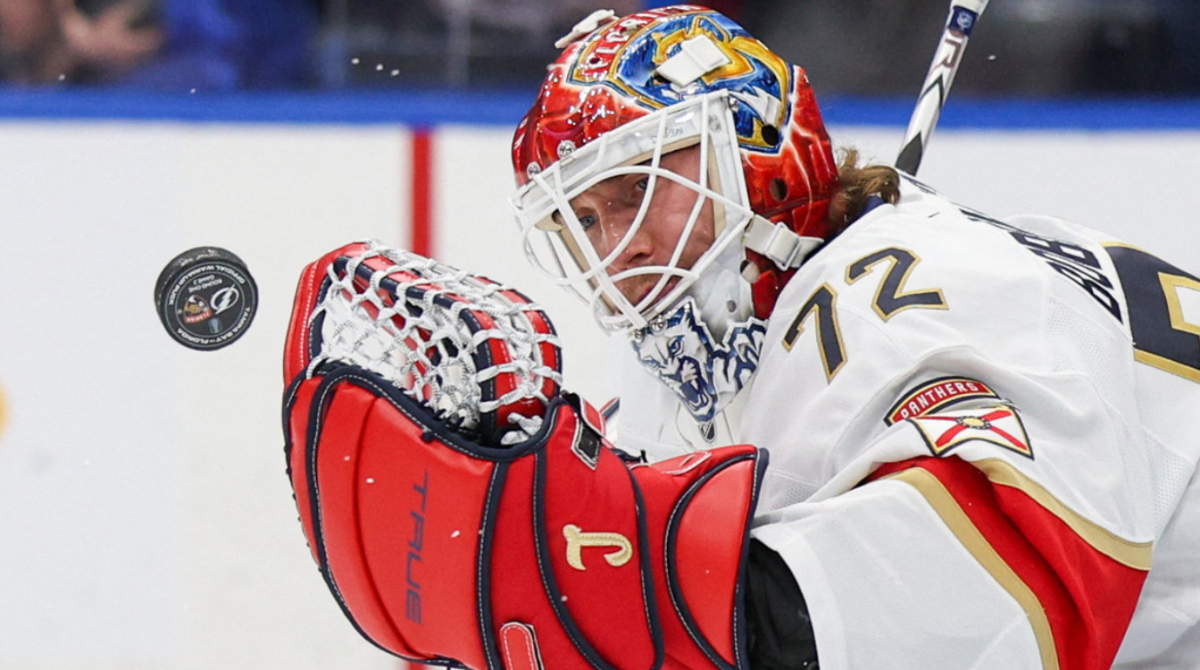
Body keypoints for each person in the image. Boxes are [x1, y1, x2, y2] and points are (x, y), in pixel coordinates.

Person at [281, 5, 1198, 669]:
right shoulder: (716, 342)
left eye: (640, 188)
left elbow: (1023, 594)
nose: (622, 247)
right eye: (587, 221)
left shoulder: (934, 295)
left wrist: (651, 597)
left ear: (761, 151)